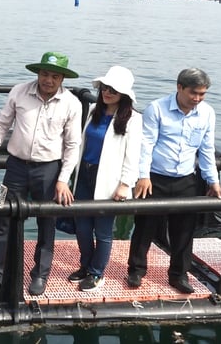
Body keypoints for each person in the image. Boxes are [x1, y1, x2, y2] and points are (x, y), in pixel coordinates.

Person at [0, 52, 82, 296]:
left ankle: (40, 275)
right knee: (3, 219)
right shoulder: (20, 91)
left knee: (47, 222)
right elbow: (1, 124)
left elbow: (72, 144)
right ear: (38, 73)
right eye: (44, 74)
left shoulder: (71, 104)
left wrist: (63, 179)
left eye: (55, 76)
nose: (48, 80)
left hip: (48, 168)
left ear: (62, 78)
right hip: (16, 165)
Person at [127, 68, 221, 294]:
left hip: (186, 178)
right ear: (179, 87)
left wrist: (213, 180)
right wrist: (143, 176)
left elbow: (206, 149)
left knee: (184, 231)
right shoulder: (157, 109)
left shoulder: (207, 113)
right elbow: (146, 144)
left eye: (202, 94)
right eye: (194, 93)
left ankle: (179, 275)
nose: (198, 99)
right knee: (144, 227)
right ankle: (136, 270)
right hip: (155, 178)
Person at [67, 66, 141, 291]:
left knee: (103, 231)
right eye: (105, 89)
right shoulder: (93, 112)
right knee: (82, 227)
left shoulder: (133, 119)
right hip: (85, 175)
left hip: (109, 179)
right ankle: (86, 265)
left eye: (113, 90)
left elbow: (133, 155)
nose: (107, 93)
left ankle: (97, 273)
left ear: (124, 95)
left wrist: (125, 183)